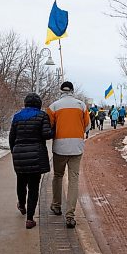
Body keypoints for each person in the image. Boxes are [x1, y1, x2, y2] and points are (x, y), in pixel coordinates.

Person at [46, 81, 90, 229]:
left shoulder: (53, 106)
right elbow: (87, 125)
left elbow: (49, 126)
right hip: (77, 147)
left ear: (61, 91)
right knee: (73, 180)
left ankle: (56, 205)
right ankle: (70, 215)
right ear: (72, 90)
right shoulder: (81, 105)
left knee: (58, 176)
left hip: (59, 147)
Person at [9, 93, 53, 229]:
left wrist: (14, 151)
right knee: (34, 187)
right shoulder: (42, 116)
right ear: (38, 104)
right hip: (36, 155)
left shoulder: (17, 117)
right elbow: (46, 134)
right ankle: (29, 219)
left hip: (19, 153)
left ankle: (21, 204)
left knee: (21, 182)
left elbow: (12, 137)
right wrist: (54, 130)